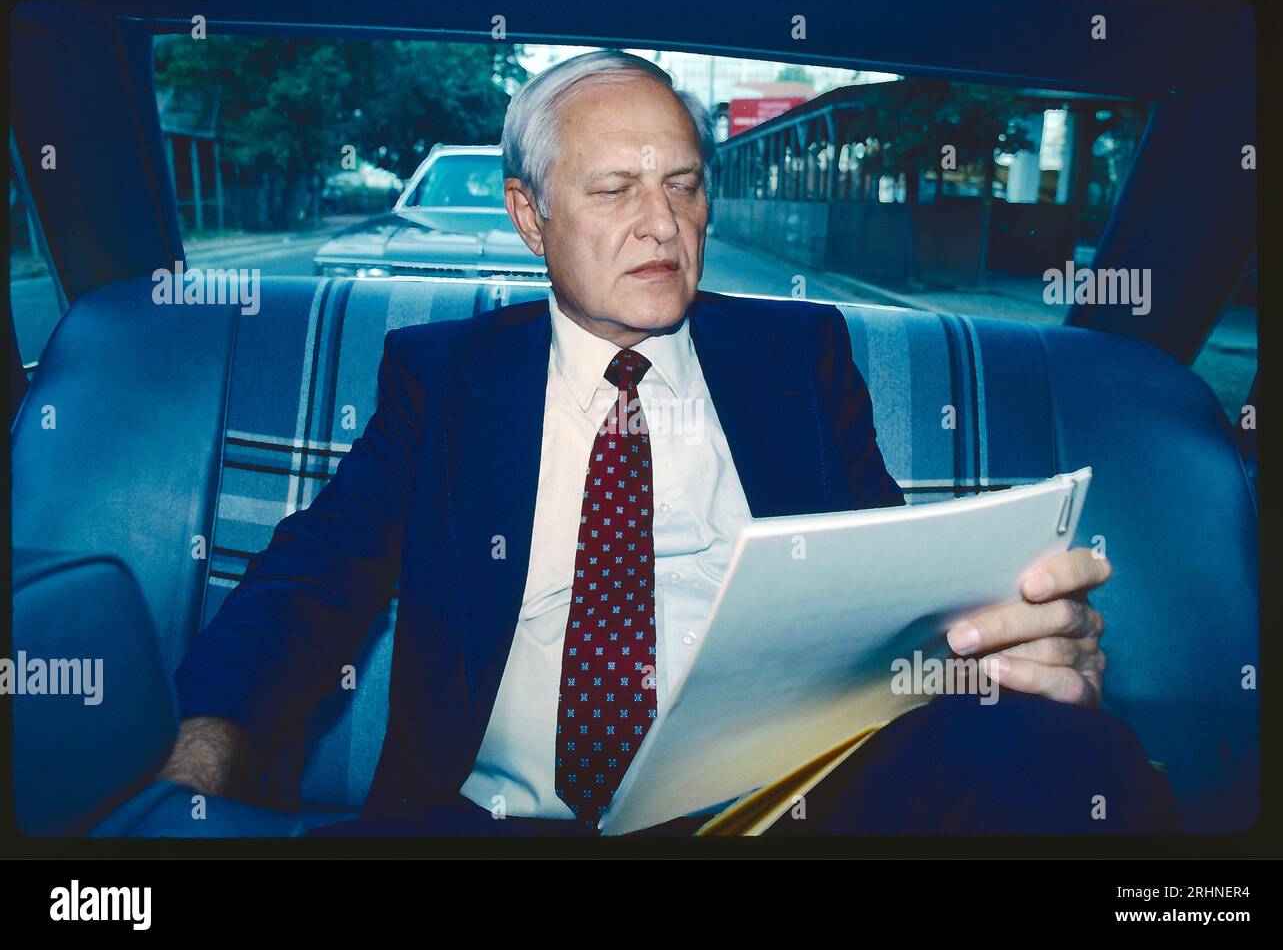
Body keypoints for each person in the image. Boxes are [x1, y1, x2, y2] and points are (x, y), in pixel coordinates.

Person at [162, 50, 1178, 837]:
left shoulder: (801, 354)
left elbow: (893, 600)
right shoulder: (441, 377)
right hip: (499, 822)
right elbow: (313, 578)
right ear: (529, 215)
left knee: (1065, 757)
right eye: (612, 191)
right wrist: (202, 755)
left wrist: (995, 653)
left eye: (684, 186)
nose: (660, 225)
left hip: (793, 807)